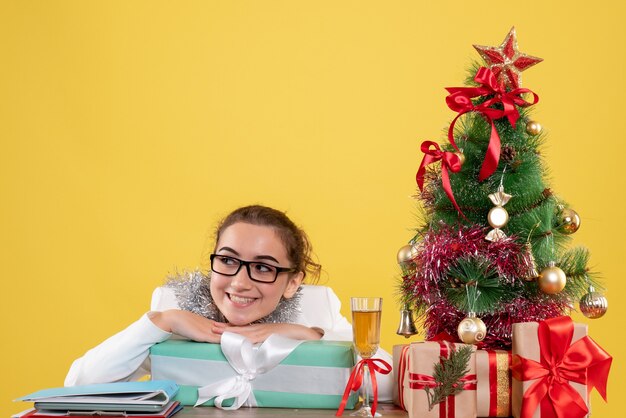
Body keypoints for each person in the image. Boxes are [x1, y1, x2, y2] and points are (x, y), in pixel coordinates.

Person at [65, 205, 392, 400]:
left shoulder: (316, 309)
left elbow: (390, 386)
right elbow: (80, 385)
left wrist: (307, 335)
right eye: (228, 260)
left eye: (263, 267)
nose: (239, 282)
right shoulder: (174, 305)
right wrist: (161, 322)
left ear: (293, 282)